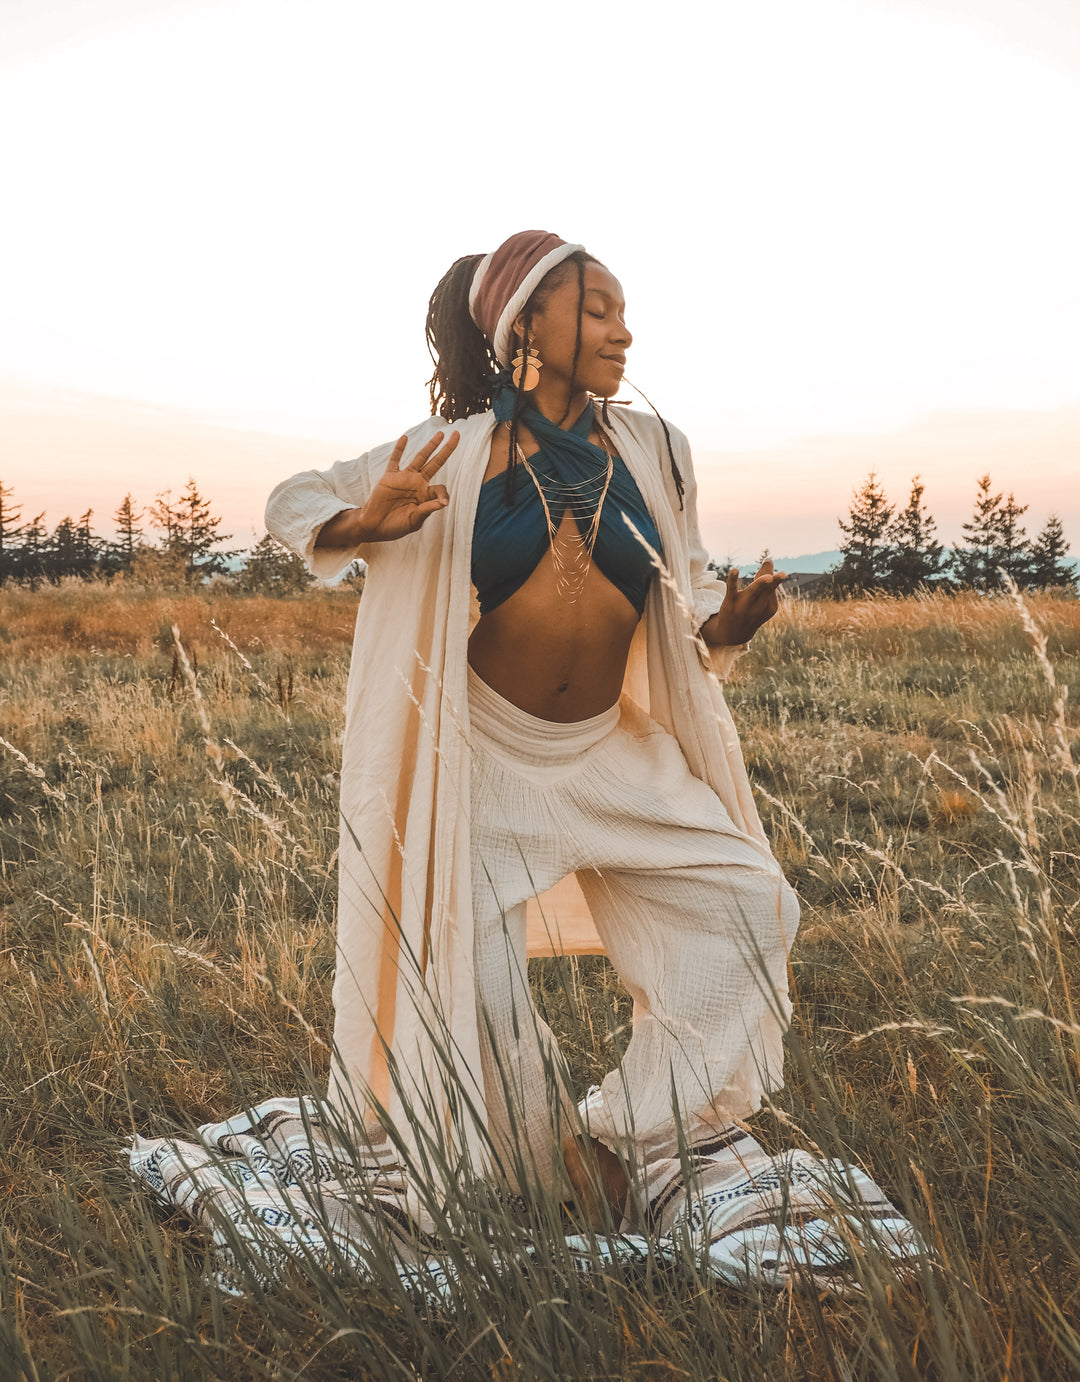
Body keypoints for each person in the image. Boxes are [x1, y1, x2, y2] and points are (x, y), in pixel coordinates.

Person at [265, 230, 800, 1227]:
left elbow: (674, 608)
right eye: (599, 311)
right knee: (467, 999)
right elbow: (292, 499)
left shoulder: (657, 451)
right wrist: (361, 524)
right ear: (526, 328)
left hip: (610, 753)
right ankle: (510, 1165)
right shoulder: (451, 454)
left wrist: (728, 626)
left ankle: (629, 1131)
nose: (623, 331)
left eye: (622, 312)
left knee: (750, 903)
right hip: (487, 761)